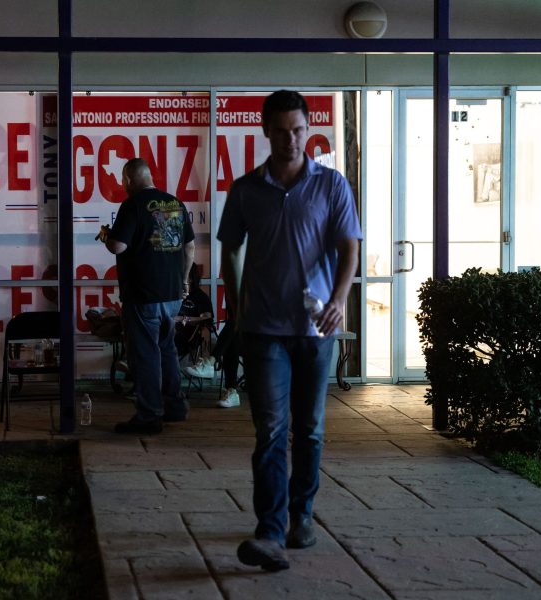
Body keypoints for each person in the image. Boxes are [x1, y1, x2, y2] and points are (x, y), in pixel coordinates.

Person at [219, 90, 361, 571]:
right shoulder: (245, 190)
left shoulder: (331, 186)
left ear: (309, 129)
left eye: (298, 130)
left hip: (316, 330)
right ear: (265, 131)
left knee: (311, 429)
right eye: (280, 131)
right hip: (263, 330)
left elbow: (349, 249)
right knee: (271, 430)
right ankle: (270, 531)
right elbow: (230, 250)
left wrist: (340, 300)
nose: (290, 139)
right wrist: (236, 305)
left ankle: (302, 515)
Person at [97, 157, 195, 434]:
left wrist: (106, 235)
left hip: (143, 295)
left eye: (122, 180)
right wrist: (184, 281)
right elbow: (189, 248)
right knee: (166, 349)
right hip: (172, 294)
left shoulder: (132, 205)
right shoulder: (175, 204)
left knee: (145, 354)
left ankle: (149, 415)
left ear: (128, 180)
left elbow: (117, 247)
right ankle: (175, 407)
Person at [175, 263, 214, 371]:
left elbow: (207, 318)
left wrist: (185, 319)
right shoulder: (175, 293)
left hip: (187, 338)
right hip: (168, 332)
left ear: (190, 278)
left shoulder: (200, 297)